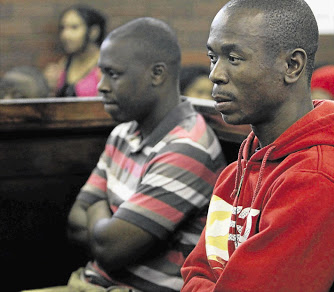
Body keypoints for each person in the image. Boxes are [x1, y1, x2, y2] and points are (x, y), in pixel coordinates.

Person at [181, 0, 334, 292]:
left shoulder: (316, 179)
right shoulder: (237, 172)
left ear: (292, 66)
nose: (215, 74)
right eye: (212, 57)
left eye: (233, 58)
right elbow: (195, 271)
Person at [24, 17, 226, 292]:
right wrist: (110, 228)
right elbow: (75, 222)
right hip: (88, 282)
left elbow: (111, 250)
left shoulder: (188, 147)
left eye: (114, 74)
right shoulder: (124, 133)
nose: (101, 86)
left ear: (157, 74)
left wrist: (100, 205)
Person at [44, 5, 107, 97]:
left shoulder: (105, 66)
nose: (65, 35)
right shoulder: (64, 64)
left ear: (94, 32)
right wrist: (49, 87)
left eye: (74, 27)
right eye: (63, 28)